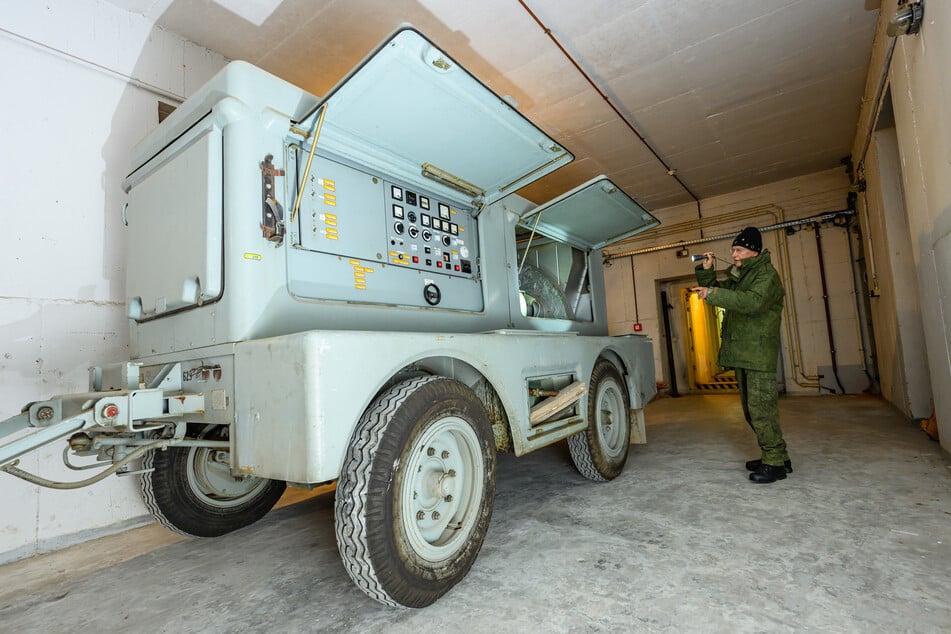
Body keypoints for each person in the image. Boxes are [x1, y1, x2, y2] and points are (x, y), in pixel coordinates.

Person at [690, 226, 791, 483]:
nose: (734, 255)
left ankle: (775, 463)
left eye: (739, 250)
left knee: (761, 409)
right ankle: (778, 456)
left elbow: (750, 302)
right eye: (733, 250)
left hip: (757, 353)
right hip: (745, 352)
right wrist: (707, 270)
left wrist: (713, 294)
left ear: (753, 252)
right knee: (751, 410)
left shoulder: (766, 276)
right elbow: (719, 290)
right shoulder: (745, 276)